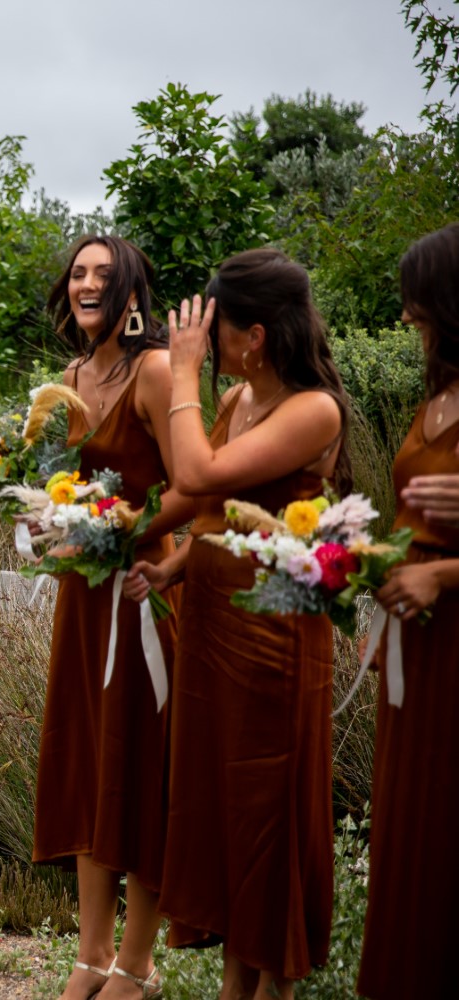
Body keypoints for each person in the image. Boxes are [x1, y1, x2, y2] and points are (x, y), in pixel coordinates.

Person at [128, 249, 349, 1000]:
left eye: (213, 328)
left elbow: (197, 473)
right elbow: (208, 511)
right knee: (221, 807)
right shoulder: (237, 400)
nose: (201, 339)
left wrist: (181, 374)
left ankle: (271, 989)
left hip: (272, 641)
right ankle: (234, 988)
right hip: (213, 632)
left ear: (253, 336)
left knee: (264, 810)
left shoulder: (313, 410)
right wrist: (170, 564)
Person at [33, 236, 193, 1000]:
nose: (86, 283)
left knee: (138, 766)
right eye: (77, 273)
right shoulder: (67, 379)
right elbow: (62, 485)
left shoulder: (155, 371)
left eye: (103, 273)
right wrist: (41, 514)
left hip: (142, 594)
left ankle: (137, 963)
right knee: (87, 763)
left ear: (131, 294)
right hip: (83, 597)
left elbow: (193, 487)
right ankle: (90, 955)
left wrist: (125, 531)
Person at [356, 223, 459, 999]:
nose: (404, 315)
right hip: (413, 650)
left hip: (454, 639)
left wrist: (443, 576)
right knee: (408, 823)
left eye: (415, 298)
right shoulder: (437, 396)